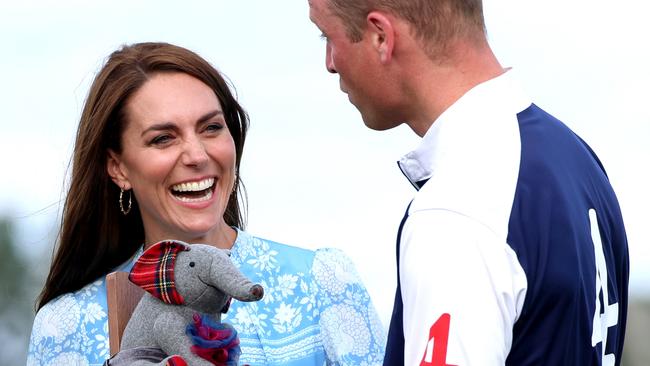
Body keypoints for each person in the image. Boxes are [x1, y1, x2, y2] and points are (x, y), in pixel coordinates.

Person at [308, 0, 629, 365]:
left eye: (327, 36)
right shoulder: (574, 157)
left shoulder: (455, 211)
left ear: (381, 36)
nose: (330, 62)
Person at [27, 42, 386, 366]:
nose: (197, 155)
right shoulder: (65, 326)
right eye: (163, 138)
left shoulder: (322, 281)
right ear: (118, 167)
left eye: (211, 128)